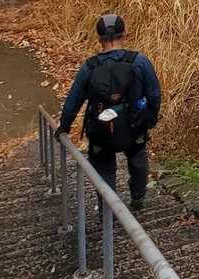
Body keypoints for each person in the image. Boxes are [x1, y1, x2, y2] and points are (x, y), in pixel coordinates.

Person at [58, 13, 162, 213]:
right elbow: (154, 94)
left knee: (103, 169)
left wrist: (64, 126)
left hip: (101, 130)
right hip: (134, 126)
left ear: (99, 39)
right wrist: (149, 119)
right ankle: (138, 198)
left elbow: (74, 100)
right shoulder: (139, 61)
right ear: (125, 34)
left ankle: (107, 211)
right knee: (138, 160)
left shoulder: (89, 67)